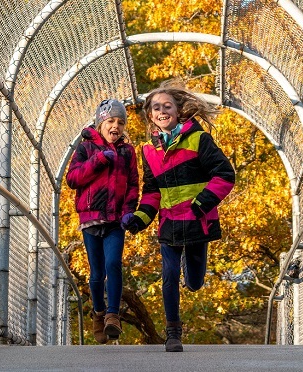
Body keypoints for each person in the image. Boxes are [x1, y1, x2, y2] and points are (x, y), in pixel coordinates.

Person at [121, 81, 235, 352]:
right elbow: (152, 191)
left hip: (197, 220)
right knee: (169, 274)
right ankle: (173, 334)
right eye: (156, 107)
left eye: (167, 106)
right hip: (169, 223)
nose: (162, 111)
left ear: (178, 110)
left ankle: (192, 272)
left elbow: (225, 175)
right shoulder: (149, 151)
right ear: (150, 115)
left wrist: (201, 204)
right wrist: (140, 218)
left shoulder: (198, 139)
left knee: (194, 283)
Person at [66, 99, 139, 344]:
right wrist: (99, 160)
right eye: (110, 121)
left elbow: (132, 185)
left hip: (116, 220)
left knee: (113, 264)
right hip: (91, 219)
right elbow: (73, 179)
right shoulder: (86, 148)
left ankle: (112, 316)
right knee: (96, 273)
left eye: (120, 122)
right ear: (100, 123)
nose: (115, 126)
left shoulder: (128, 152)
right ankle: (98, 313)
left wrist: (129, 210)